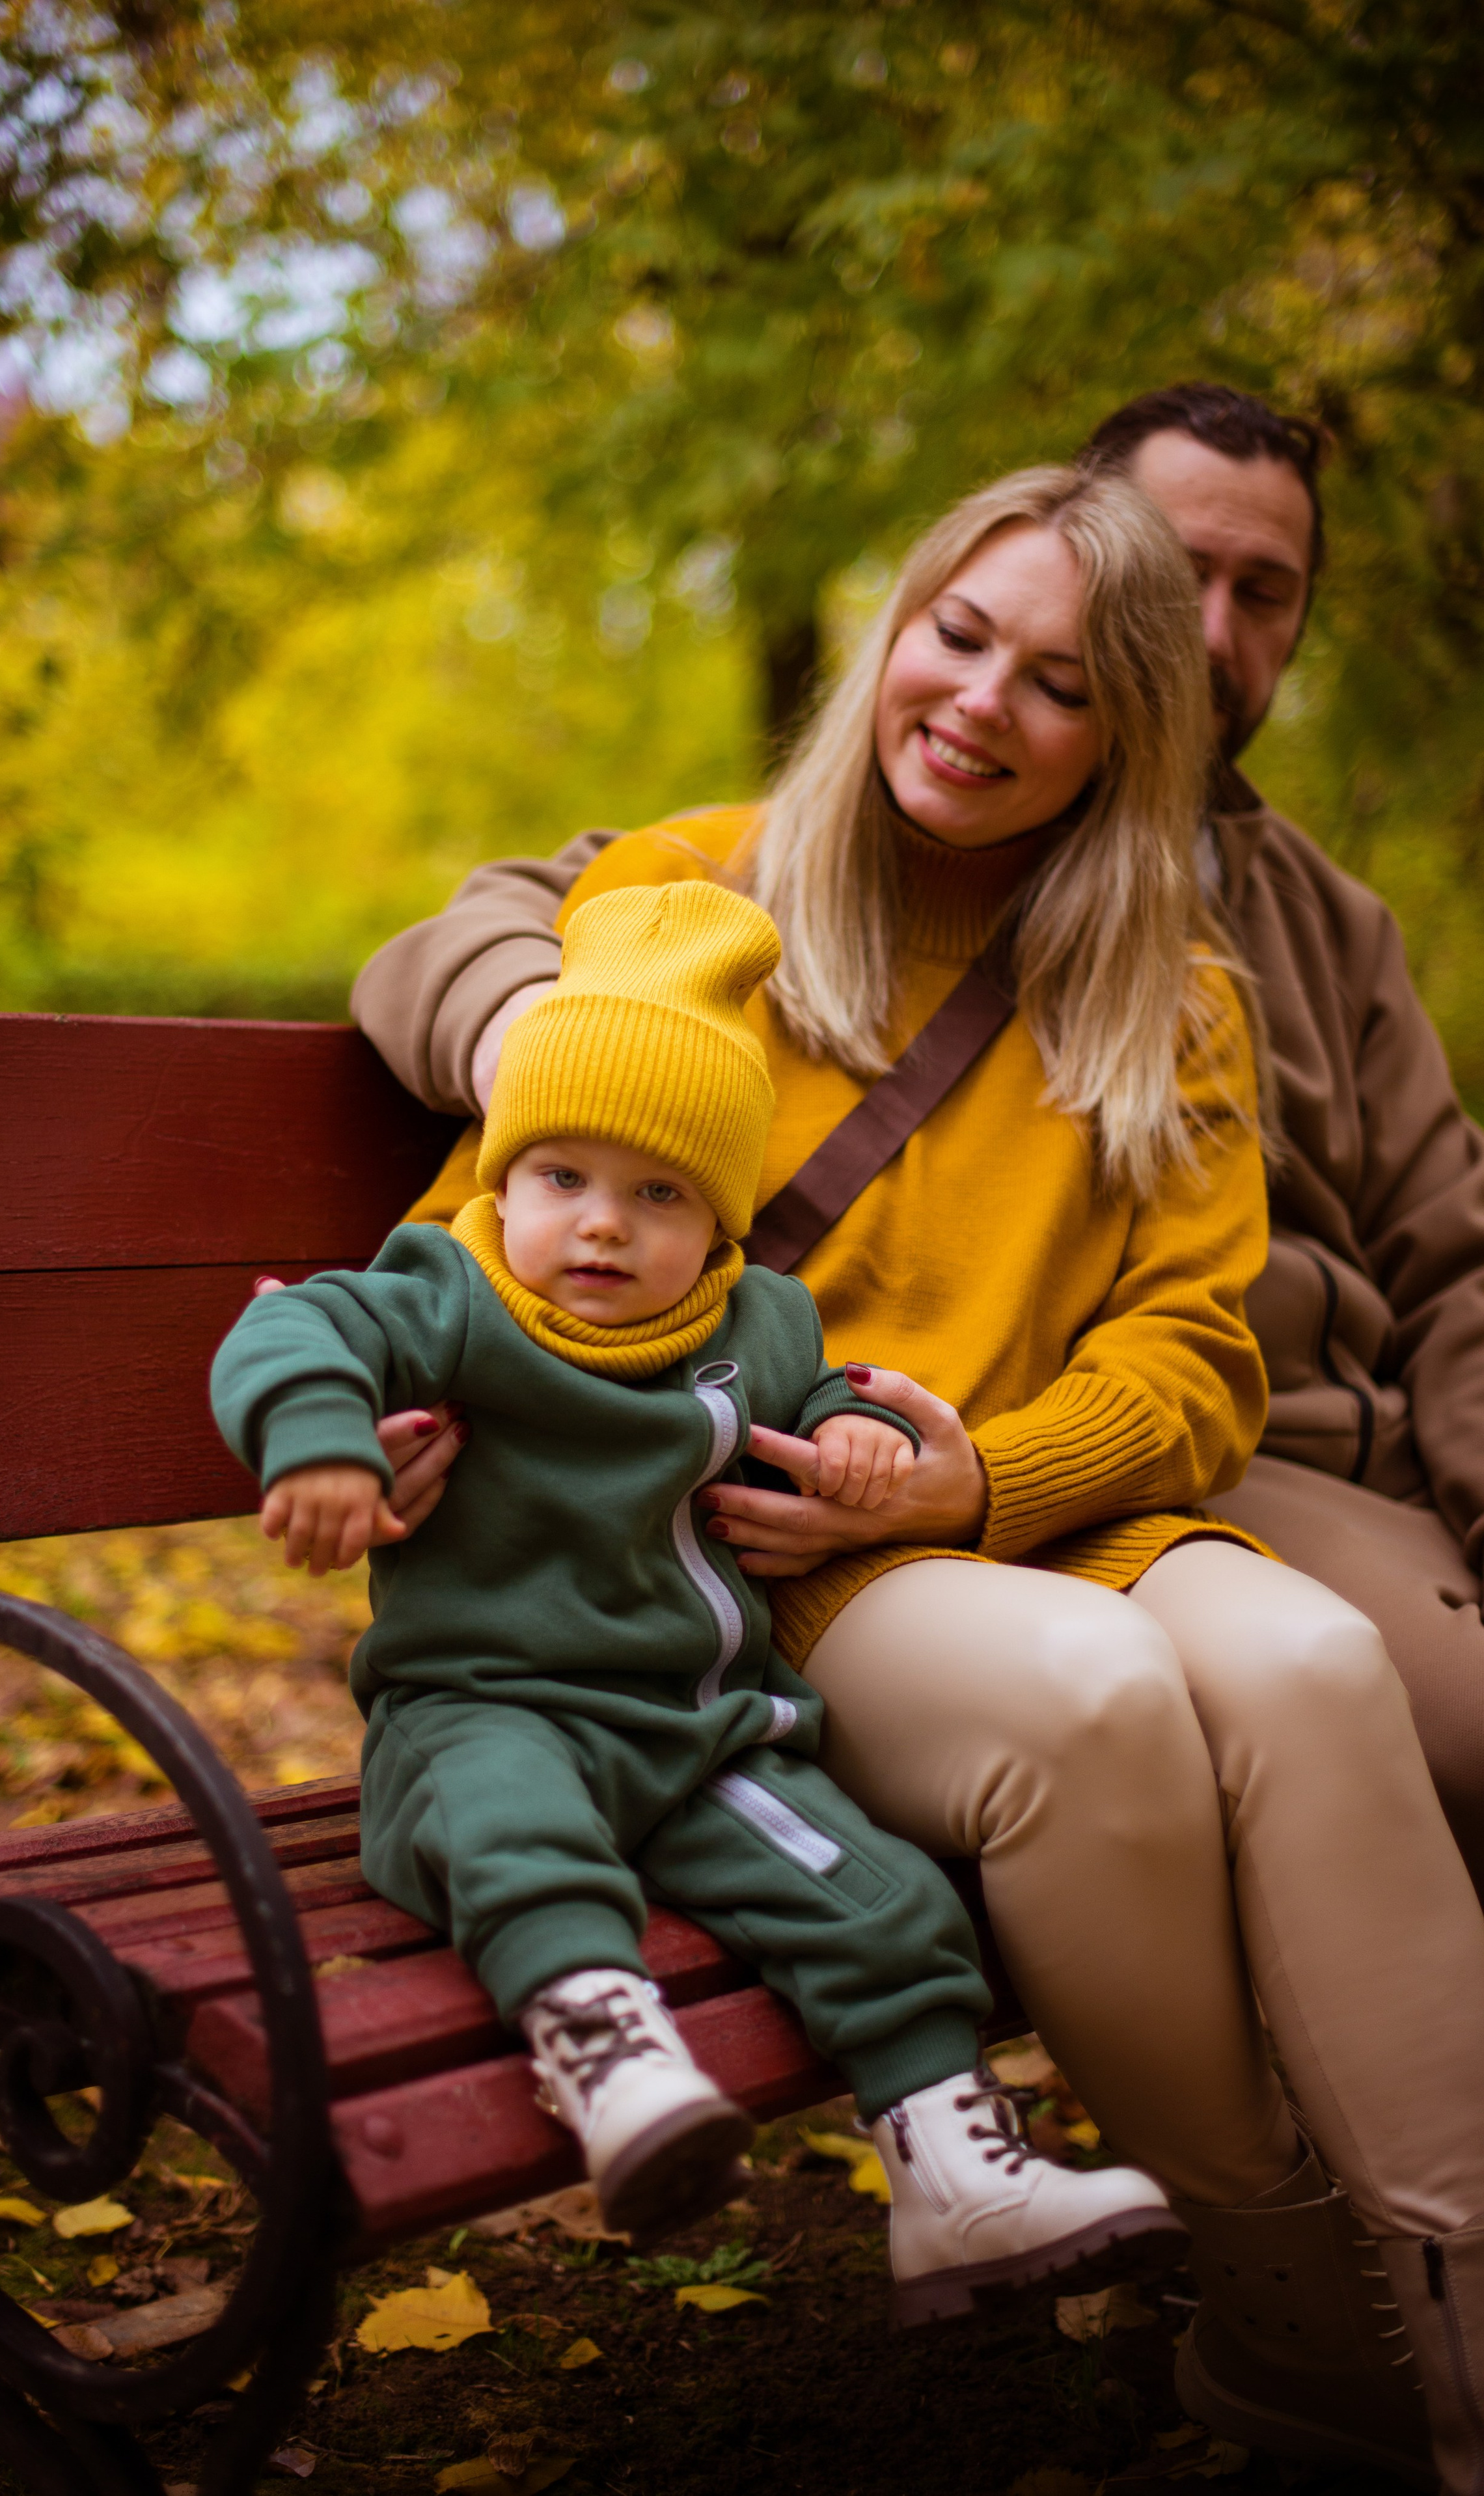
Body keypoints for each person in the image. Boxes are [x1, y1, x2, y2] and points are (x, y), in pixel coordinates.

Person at [349, 457, 1484, 2495]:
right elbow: (495, 1216)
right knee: (1098, 1707)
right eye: (959, 636)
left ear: (1127, 738)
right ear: (899, 629)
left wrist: (981, 1477)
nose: (980, 704)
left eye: (1061, 684)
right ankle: (1301, 2301)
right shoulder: (684, 901)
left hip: (1024, 1513)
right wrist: (412, 1409)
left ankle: (1467, 2332)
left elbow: (1197, 1352)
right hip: (744, 1559)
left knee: (1314, 1665)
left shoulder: (1176, 996)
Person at [359, 381, 1484, 1907]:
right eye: (1169, 564)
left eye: (1261, 593)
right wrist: (538, 1050)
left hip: (1270, 1454)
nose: (1211, 626)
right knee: (1369, 1712)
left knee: (1296, 1691)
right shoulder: (752, 870)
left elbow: (1451, 1257)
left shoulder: (1311, 930)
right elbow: (501, 938)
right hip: (1097, 1471)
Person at [211, 877, 1186, 2307]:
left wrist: (856, 1430)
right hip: (482, 1713)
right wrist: (314, 1440)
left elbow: (826, 1393)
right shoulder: (452, 1292)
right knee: (513, 1827)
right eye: (562, 1178)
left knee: (881, 1899)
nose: (600, 1227)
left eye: (656, 1192)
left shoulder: (756, 1322)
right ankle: (609, 2052)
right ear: (504, 1178)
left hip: (696, 1732)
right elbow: (297, 1325)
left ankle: (952, 2172)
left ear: (719, 1220)